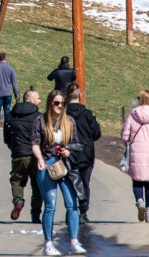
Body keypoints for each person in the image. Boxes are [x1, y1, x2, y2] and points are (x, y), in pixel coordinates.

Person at [32, 90, 86, 256]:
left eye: (63, 103)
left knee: (72, 205)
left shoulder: (69, 121)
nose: (60, 106)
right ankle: (48, 244)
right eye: (56, 103)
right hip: (47, 164)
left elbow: (76, 143)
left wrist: (68, 150)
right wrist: (40, 159)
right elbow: (34, 143)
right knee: (50, 205)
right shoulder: (40, 121)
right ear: (50, 103)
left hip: (65, 166)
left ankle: (74, 241)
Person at [121, 89, 149, 224]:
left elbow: (125, 135)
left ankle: (140, 201)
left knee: (137, 180)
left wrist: (127, 143)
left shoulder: (132, 115)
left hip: (137, 150)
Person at [3, 89, 43, 223]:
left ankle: (18, 200)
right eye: (38, 98)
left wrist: (14, 147)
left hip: (18, 154)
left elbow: (7, 137)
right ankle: (35, 214)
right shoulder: (39, 116)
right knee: (37, 185)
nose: (40, 100)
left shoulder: (10, 115)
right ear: (31, 99)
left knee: (17, 180)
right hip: (35, 155)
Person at [65, 83, 102, 224]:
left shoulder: (63, 114)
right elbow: (96, 133)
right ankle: (83, 212)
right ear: (80, 96)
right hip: (86, 153)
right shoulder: (88, 114)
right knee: (84, 183)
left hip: (68, 152)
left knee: (70, 183)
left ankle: (71, 211)